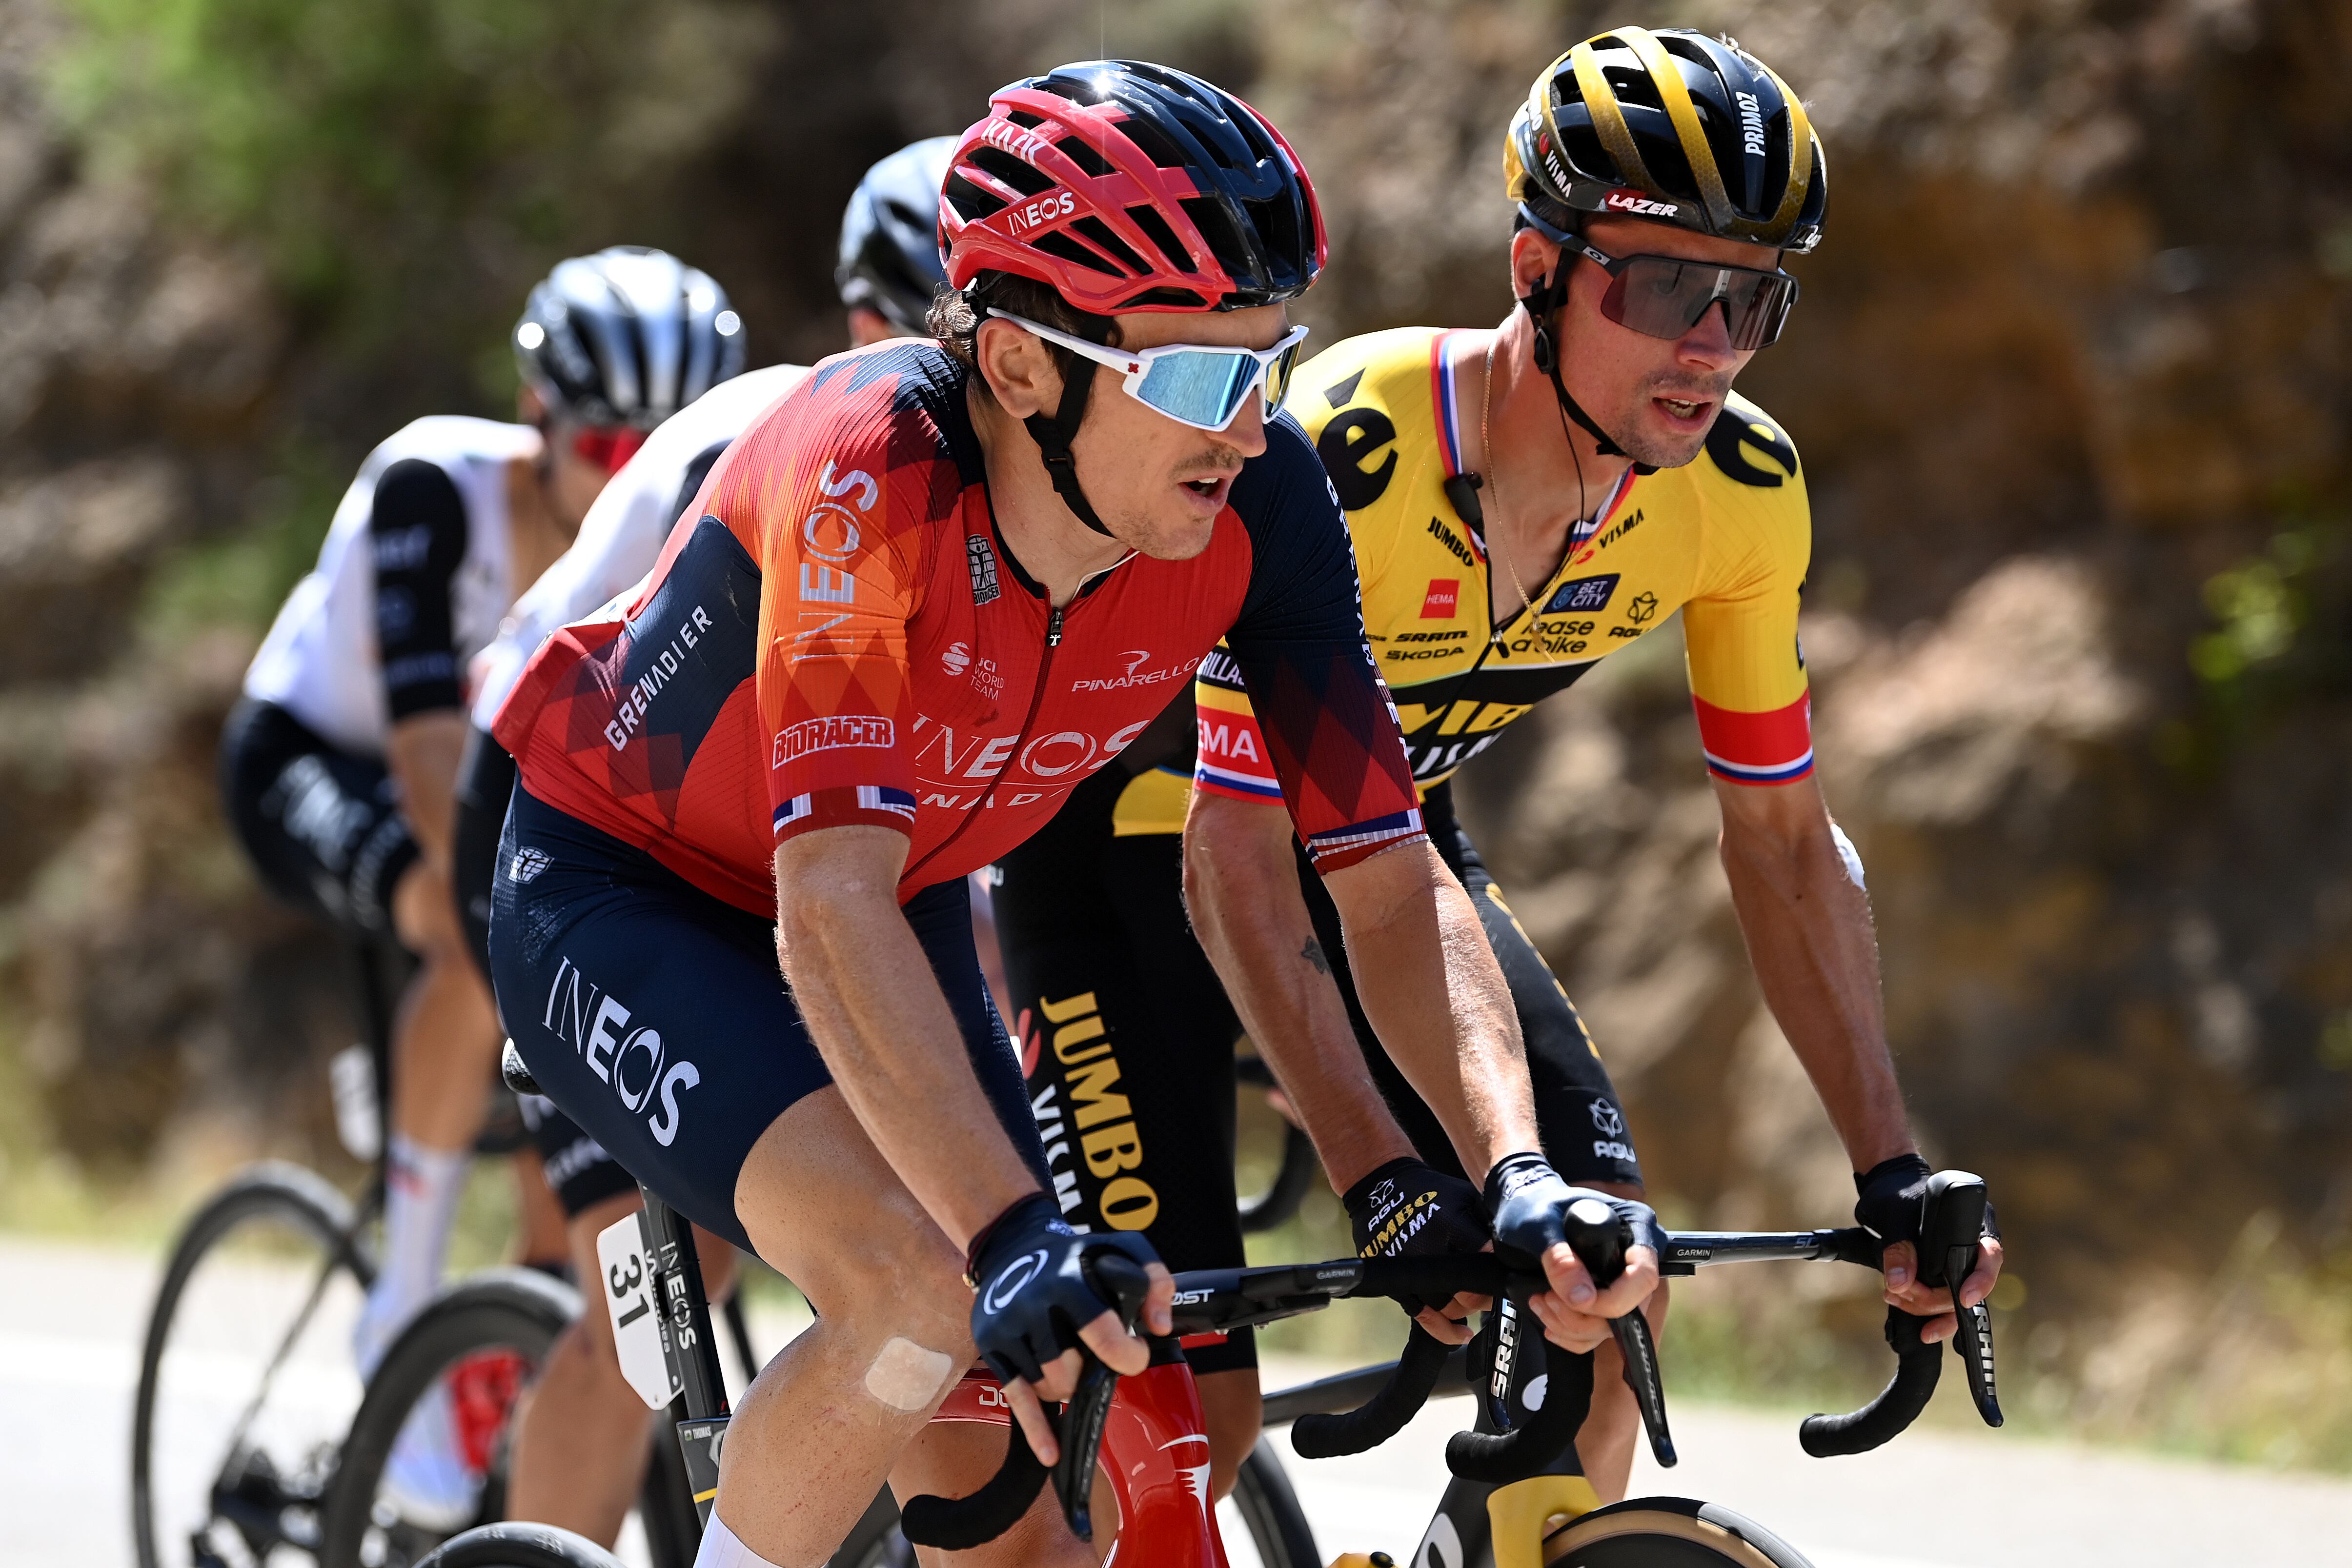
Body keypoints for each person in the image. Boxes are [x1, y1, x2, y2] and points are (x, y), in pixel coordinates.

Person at [486, 60, 1659, 1568]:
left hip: (892, 894)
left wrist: (1510, 1169)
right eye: (1194, 376)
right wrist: (999, 1230)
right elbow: (824, 902)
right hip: (625, 890)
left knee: (1039, 1457)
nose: (1245, 426)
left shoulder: (1258, 506)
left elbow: (1378, 866)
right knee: (917, 1287)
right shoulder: (868, 463)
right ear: (1024, 369)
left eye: (1269, 361)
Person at [998, 23, 2005, 1517]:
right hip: (1135, 852)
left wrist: (1888, 1170)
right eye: (1665, 288)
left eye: (1752, 301)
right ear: (1535, 268)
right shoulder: (1345, 447)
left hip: (1384, 846)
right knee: (1174, 1407)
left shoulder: (1737, 493)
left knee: (1606, 1283)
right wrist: (1379, 1172)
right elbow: (1235, 865)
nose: (1711, 348)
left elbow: (1785, 849)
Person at [462, 138, 955, 1546]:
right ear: (872, 325)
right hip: (549, 821)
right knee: (658, 1291)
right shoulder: (787, 436)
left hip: (759, 864)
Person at [221, 244, 744, 1522]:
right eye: (608, 449)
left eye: (665, 449)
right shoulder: (429, 490)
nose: (640, 478)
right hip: (319, 755)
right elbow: (423, 751)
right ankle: (404, 1293)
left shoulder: (685, 527)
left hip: (506, 793)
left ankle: (493, 1370)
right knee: (460, 932)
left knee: (576, 1178)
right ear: (538, 421)